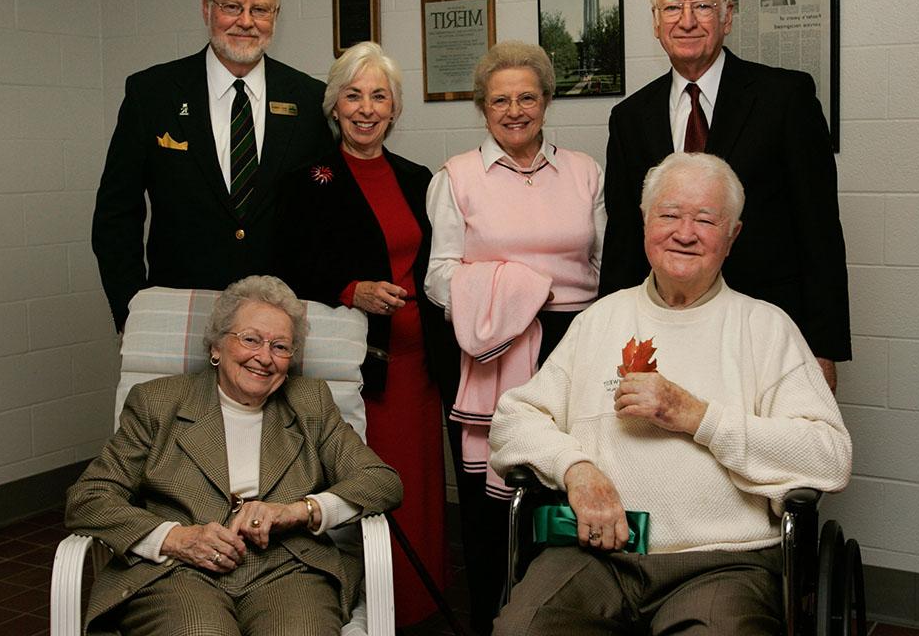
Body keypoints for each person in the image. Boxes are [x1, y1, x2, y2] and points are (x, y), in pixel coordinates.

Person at [490, 153, 852, 636]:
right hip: (596, 553)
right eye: (668, 215)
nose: (684, 232)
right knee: (522, 629)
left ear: (733, 236)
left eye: (705, 220)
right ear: (644, 223)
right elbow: (513, 419)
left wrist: (697, 416)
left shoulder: (765, 327)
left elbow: (829, 456)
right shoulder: (600, 319)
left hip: (722, 562)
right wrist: (574, 468)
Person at [65, 275, 402, 636]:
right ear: (216, 346)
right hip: (179, 571)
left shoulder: (311, 403)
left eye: (280, 347)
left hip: (289, 567)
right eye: (251, 339)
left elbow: (381, 481)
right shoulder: (157, 403)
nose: (264, 358)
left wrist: (297, 511)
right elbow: (89, 498)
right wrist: (176, 538)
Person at [599, 0, 850, 390]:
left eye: (703, 6)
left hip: (765, 329)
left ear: (728, 17)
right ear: (656, 24)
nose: (688, 21)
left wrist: (822, 348)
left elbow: (820, 231)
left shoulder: (785, 98)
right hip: (666, 329)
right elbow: (623, 239)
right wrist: (609, 341)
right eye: (673, 8)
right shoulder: (629, 117)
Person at [425, 41, 605, 633]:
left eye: (528, 96)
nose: (515, 109)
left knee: (566, 486)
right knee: (485, 510)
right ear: (482, 107)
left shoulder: (584, 172)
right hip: (491, 351)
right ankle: (490, 620)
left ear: (547, 101)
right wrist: (515, 296)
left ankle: (562, 616)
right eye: (500, 99)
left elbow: (606, 267)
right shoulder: (457, 176)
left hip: (573, 345)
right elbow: (439, 275)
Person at [278, 42, 458, 627]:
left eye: (378, 96)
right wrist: (351, 289)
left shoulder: (417, 178)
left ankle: (420, 602)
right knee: (364, 489)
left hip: (420, 368)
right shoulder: (310, 180)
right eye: (353, 95)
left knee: (421, 490)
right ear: (334, 105)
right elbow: (290, 267)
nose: (365, 108)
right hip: (360, 372)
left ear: (394, 108)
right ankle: (370, 608)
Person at [92, 0, 327, 332]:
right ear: (206, 8)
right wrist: (133, 310)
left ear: (276, 16)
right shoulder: (152, 94)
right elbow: (116, 216)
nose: (246, 22)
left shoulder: (309, 99)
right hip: (176, 318)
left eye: (260, 10)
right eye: (232, 6)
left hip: (277, 329)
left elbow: (325, 217)